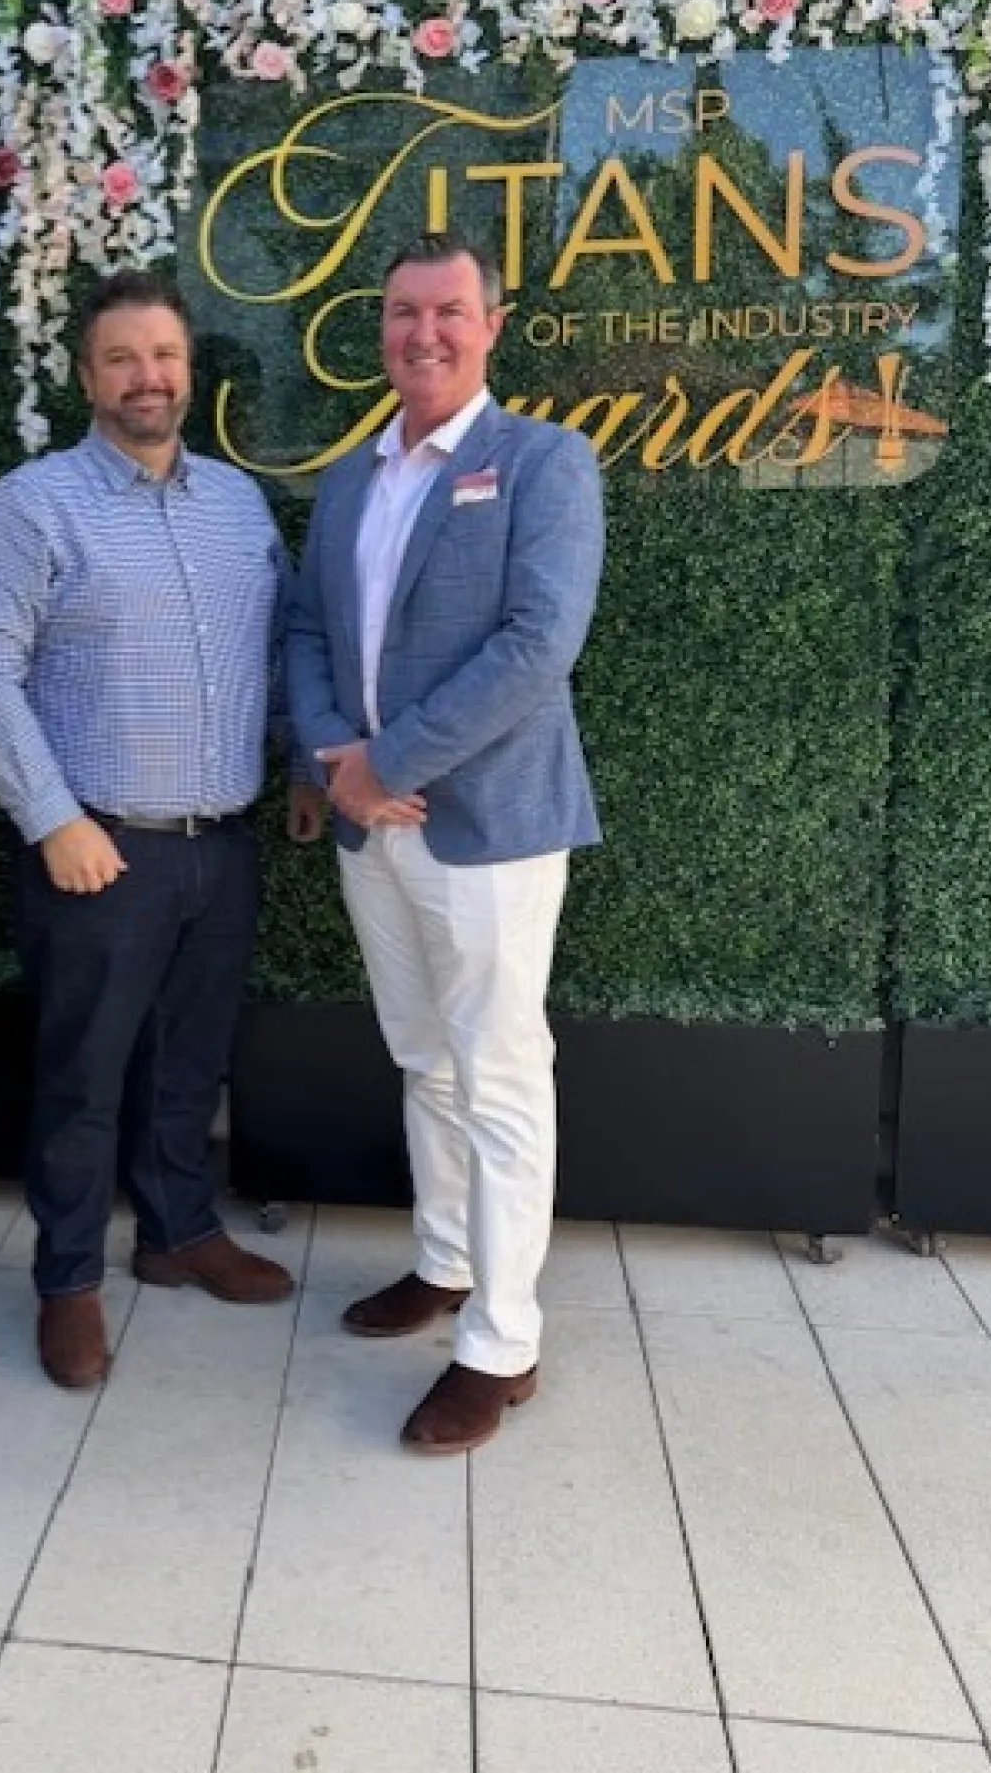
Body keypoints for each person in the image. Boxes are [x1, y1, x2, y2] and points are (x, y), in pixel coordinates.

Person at [0, 269, 322, 1391]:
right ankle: (68, 1280)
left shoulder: (236, 504)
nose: (147, 376)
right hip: (98, 848)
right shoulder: (33, 505)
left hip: (222, 839)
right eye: (122, 357)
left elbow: (277, 642)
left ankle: (176, 1232)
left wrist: (302, 760)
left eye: (162, 355)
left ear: (187, 369)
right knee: (82, 1078)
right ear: (85, 375)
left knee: (187, 1063)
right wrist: (52, 817)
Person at [287, 230, 605, 1455]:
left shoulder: (542, 462)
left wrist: (388, 761)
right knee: (423, 1056)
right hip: (372, 828)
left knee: (499, 1070)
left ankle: (502, 1340)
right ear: (384, 328)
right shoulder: (349, 478)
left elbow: (537, 645)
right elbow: (308, 631)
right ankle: (442, 1259)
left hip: (487, 828)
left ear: (491, 323)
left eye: (449, 312)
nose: (425, 332)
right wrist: (334, 761)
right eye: (404, 313)